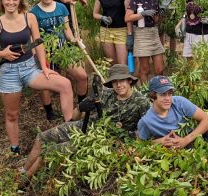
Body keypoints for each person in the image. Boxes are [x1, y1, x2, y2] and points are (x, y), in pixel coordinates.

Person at [0, 0, 75, 155]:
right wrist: (2, 53)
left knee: (65, 84)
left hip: (30, 68)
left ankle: (70, 133)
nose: (11, 2)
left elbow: (37, 42)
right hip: (9, 73)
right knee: (12, 115)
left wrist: (44, 67)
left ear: (19, 1)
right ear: (2, 1)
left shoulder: (29, 18)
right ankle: (15, 150)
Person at [21, 64, 150, 178]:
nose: (119, 85)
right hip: (87, 126)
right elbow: (74, 117)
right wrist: (81, 107)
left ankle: (24, 180)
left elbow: (148, 128)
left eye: (122, 80)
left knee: (49, 153)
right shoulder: (105, 94)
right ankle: (23, 170)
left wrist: (130, 139)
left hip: (104, 139)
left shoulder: (140, 102)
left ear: (129, 81)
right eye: (115, 81)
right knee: (42, 137)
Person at [29, 0, 88, 120]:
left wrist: (74, 40)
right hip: (45, 50)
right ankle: (49, 111)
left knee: (82, 76)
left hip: (62, 49)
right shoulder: (33, 12)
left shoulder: (61, 7)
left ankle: (81, 106)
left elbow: (66, 29)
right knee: (46, 83)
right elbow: (33, 36)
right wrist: (35, 53)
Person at [137, 76, 208, 148]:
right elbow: (140, 144)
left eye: (170, 94)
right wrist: (158, 142)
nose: (168, 98)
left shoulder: (179, 102)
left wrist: (185, 140)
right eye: (163, 94)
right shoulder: (146, 121)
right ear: (152, 97)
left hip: (196, 140)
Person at [125, 0, 165, 84]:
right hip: (141, 34)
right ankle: (145, 94)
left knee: (159, 69)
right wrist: (142, 14)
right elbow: (127, 18)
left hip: (153, 33)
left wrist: (160, 15)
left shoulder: (154, 0)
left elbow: (155, 20)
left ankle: (158, 91)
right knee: (145, 69)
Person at [93, 0, 131, 66]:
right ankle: (115, 82)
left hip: (121, 30)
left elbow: (129, 15)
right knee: (112, 62)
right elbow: (95, 14)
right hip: (106, 30)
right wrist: (102, 17)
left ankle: (125, 81)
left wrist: (130, 34)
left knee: (122, 64)